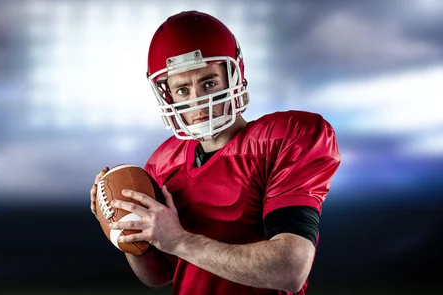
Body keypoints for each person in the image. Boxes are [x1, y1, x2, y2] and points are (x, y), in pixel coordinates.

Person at [89, 10, 341, 295]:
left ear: (233, 76)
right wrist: (124, 230)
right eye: (182, 89)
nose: (197, 100)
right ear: (167, 94)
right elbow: (158, 275)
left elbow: (289, 269)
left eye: (208, 83)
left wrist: (179, 241)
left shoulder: (284, 138)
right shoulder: (162, 164)